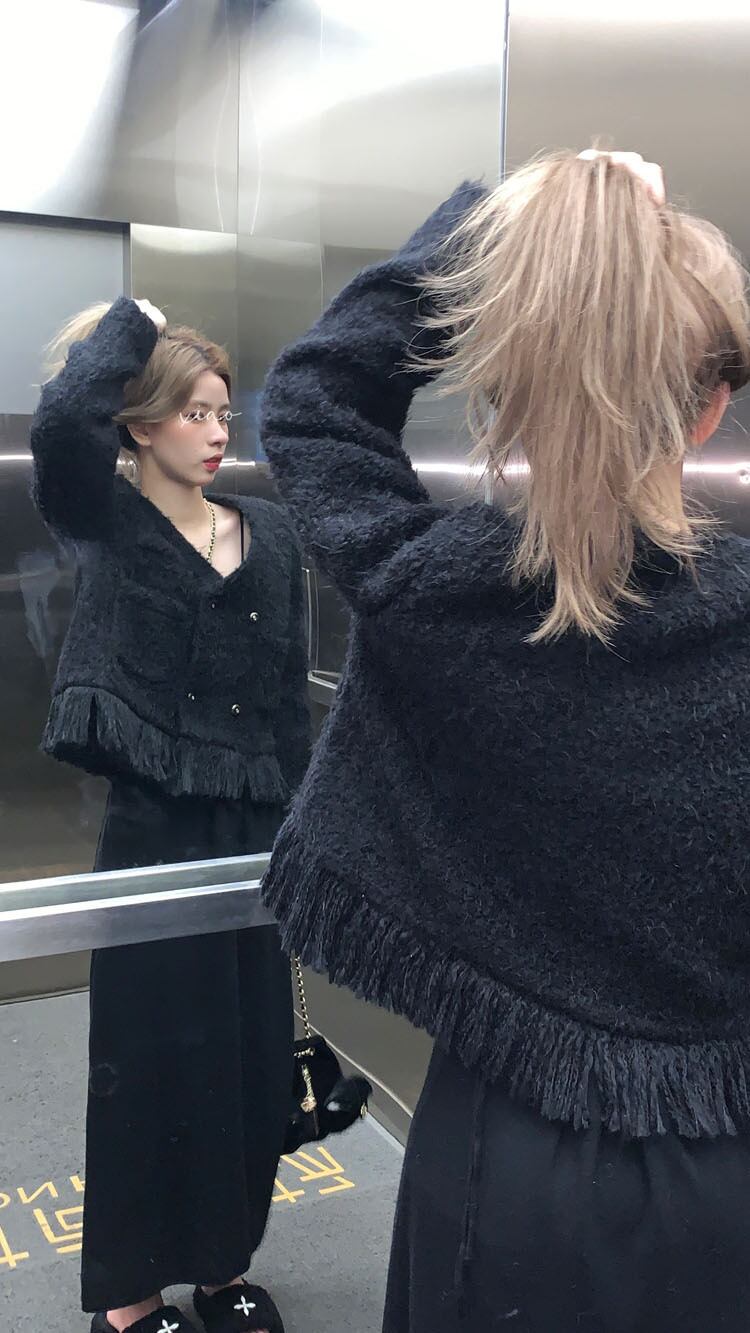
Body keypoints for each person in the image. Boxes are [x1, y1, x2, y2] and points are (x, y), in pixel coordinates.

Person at [258, 150, 750, 1332]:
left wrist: (484, 228)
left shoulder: (439, 591)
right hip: (724, 1155)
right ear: (711, 406)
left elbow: (314, 402)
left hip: (503, 1155)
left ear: (518, 392)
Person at [31, 295, 310, 1333]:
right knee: (147, 1061)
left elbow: (286, 699)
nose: (216, 430)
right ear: (142, 424)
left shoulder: (271, 537)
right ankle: (130, 1294)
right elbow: (61, 432)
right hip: (150, 828)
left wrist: (306, 834)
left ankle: (223, 1266)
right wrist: (128, 329)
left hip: (253, 830)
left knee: (245, 1059)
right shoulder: (104, 519)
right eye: (193, 412)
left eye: (223, 412)